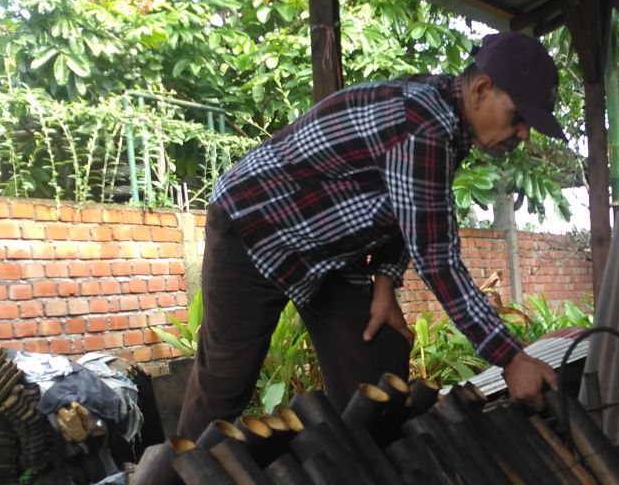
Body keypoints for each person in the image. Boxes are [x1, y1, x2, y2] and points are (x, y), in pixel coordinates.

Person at [176, 32, 563, 440]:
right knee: (224, 384)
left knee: (378, 354)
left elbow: (400, 205)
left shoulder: (446, 121)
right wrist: (511, 359)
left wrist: (384, 281)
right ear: (482, 89)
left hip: (320, 251)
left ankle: (358, 476)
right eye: (519, 117)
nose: (523, 135)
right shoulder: (424, 127)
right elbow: (438, 261)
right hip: (254, 227)